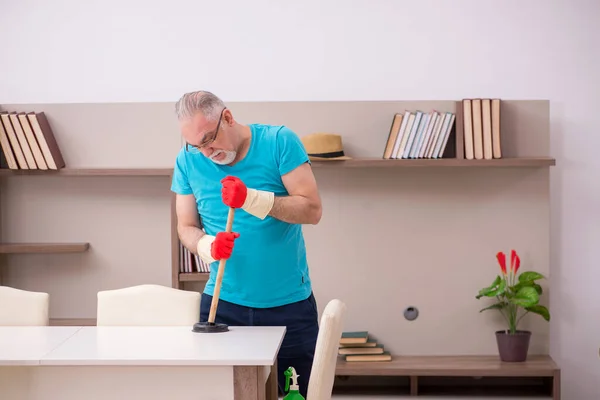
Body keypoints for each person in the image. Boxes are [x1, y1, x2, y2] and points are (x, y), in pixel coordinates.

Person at [170, 90, 322, 397]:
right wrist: (207, 247)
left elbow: (312, 209)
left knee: (297, 395)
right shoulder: (188, 161)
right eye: (196, 146)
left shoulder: (279, 141)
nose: (206, 152)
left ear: (227, 117)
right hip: (223, 307)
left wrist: (252, 199)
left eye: (209, 140)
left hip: (288, 305)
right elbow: (185, 227)